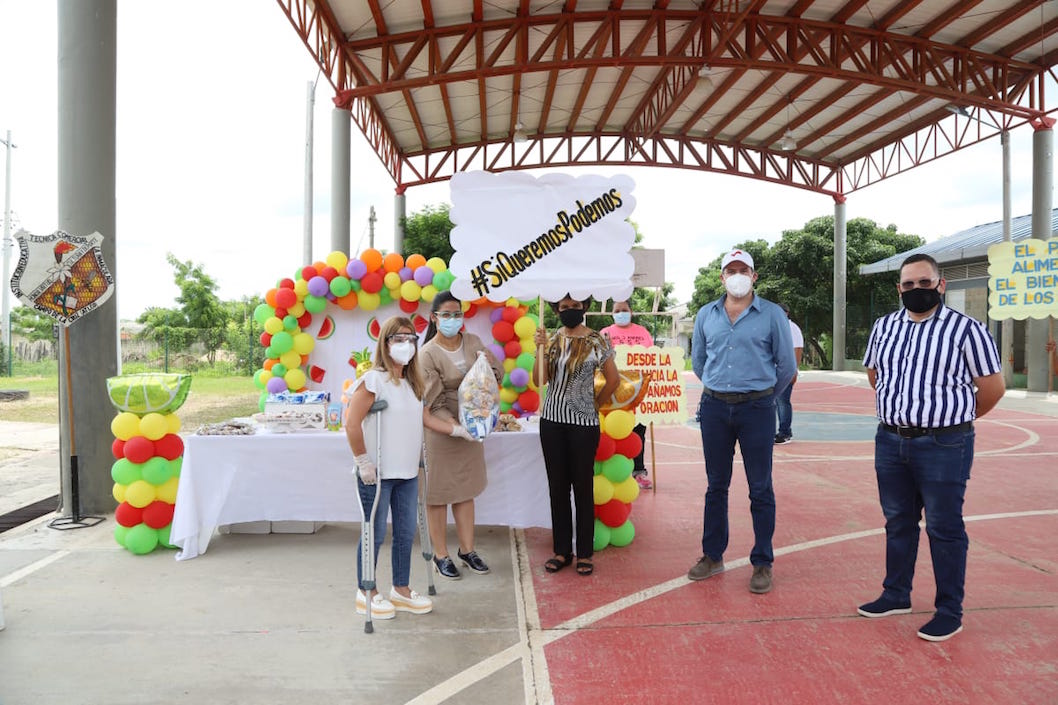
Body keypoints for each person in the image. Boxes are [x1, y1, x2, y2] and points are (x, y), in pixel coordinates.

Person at [859, 253, 1004, 642]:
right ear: (899, 289)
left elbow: (992, 388)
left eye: (925, 283)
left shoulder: (967, 330)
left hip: (944, 442)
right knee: (898, 521)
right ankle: (896, 594)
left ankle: (949, 610)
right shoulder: (884, 327)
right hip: (890, 440)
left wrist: (954, 419)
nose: (916, 290)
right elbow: (875, 374)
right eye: (908, 285)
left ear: (941, 285)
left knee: (944, 527)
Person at [688, 249, 795, 595]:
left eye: (743, 269)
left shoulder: (772, 315)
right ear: (722, 277)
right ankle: (712, 554)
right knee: (715, 485)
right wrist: (721, 387)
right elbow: (700, 362)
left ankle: (762, 561)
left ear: (754, 276)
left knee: (760, 487)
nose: (736, 275)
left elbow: (786, 367)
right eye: (730, 270)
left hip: (757, 410)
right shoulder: (707, 314)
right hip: (715, 408)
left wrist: (762, 395)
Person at [345, 315, 436, 620]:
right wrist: (362, 461)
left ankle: (401, 588)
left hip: (407, 473)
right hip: (378, 473)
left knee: (406, 531)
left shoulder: (414, 383)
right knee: (374, 532)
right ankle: (366, 590)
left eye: (411, 339)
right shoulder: (373, 380)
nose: (405, 345)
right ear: (385, 343)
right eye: (398, 339)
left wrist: (457, 429)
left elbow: (423, 419)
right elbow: (352, 422)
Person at [419, 291, 505, 580]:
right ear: (434, 317)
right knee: (439, 493)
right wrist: (456, 427)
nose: (453, 320)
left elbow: (494, 377)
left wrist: (489, 366)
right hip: (442, 431)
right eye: (446, 315)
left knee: (465, 490)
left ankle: (467, 550)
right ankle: (440, 554)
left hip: (474, 426)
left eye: (458, 314)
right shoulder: (427, 353)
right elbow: (432, 402)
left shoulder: (473, 342)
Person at [533, 294, 619, 576]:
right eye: (564, 307)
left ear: (584, 307)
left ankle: (584, 553)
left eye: (575, 306)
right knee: (557, 487)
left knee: (583, 487)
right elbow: (540, 380)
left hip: (584, 425)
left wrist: (595, 403)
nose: (570, 311)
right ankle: (561, 551)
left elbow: (613, 379)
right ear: (557, 310)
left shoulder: (597, 340)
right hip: (551, 422)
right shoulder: (552, 338)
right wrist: (539, 349)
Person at [599, 299, 654, 489]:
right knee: (615, 431)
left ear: (631, 311)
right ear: (612, 313)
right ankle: (616, 472)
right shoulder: (605, 333)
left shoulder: (642, 332)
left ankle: (638, 471)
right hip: (614, 393)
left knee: (638, 432)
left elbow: (652, 359)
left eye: (624, 309)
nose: (621, 313)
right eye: (617, 310)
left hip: (638, 391)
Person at [774, 302, 804, 444]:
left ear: (786, 313)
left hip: (785, 372)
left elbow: (797, 350)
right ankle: (774, 431)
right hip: (771, 371)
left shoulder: (792, 328)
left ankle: (785, 432)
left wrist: (794, 371)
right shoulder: (775, 327)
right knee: (772, 402)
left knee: (782, 401)